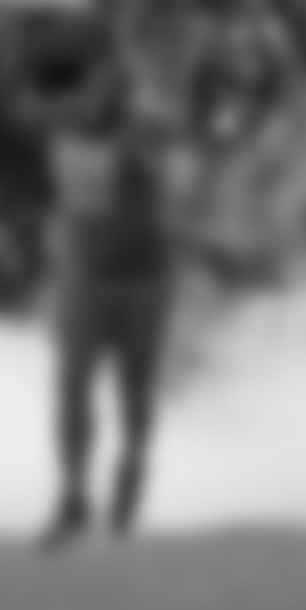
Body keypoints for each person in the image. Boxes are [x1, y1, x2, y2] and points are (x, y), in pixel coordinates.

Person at [41, 57, 178, 550]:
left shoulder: (148, 136)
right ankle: (74, 493)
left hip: (141, 282)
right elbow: (75, 201)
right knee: (72, 386)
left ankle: (133, 465)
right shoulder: (65, 135)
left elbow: (163, 177)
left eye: (113, 94)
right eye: (95, 92)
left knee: (134, 391)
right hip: (85, 280)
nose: (100, 103)